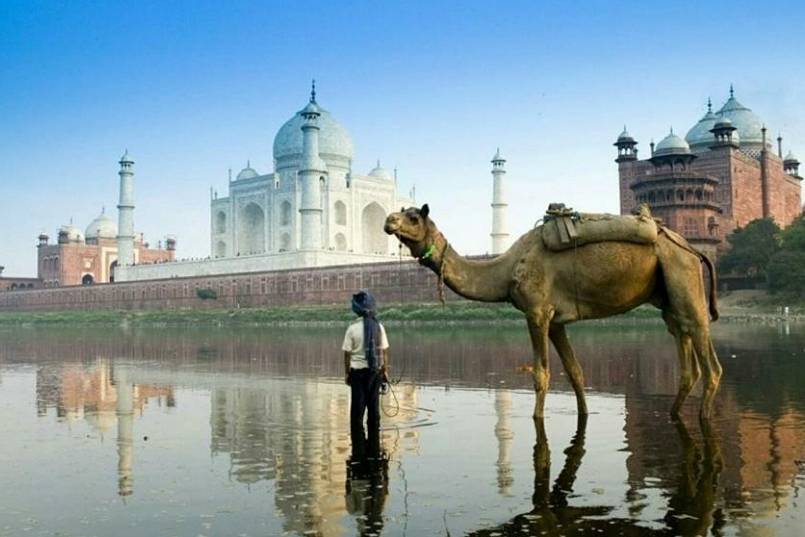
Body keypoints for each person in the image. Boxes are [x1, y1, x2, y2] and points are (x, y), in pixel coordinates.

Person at [342, 290, 390, 438]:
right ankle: (374, 450)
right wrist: (385, 371)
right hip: (375, 373)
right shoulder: (379, 327)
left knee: (357, 411)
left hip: (357, 374)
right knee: (374, 410)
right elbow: (384, 352)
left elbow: (347, 354)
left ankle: (358, 448)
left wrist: (347, 373)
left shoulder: (352, 329)